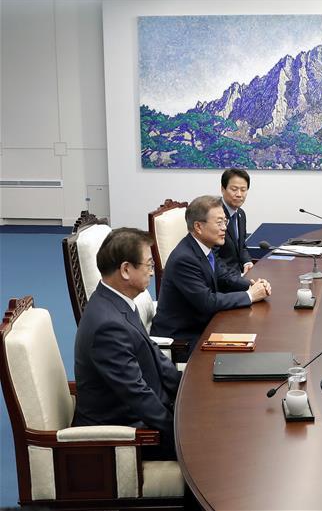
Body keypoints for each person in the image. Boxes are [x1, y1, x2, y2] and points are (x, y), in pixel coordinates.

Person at [73, 228, 181, 460]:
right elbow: (137, 395)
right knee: (214, 446)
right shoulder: (107, 325)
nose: (152, 272)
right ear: (125, 269)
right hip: (125, 434)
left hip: (148, 410)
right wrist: (180, 430)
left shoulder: (118, 301)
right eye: (149, 265)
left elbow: (154, 354)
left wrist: (185, 391)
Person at [151, 195, 271, 351]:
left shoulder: (204, 247)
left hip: (203, 325)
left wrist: (254, 285)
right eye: (219, 223)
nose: (224, 228)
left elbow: (224, 278)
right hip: (183, 339)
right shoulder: (184, 259)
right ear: (199, 227)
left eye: (225, 222)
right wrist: (250, 295)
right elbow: (207, 302)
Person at [217, 168, 253, 276]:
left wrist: (247, 262)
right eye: (234, 189)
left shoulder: (241, 214)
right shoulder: (214, 215)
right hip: (222, 279)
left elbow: (241, 246)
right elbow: (212, 258)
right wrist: (240, 281)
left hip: (238, 274)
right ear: (223, 189)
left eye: (243, 190)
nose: (239, 194)